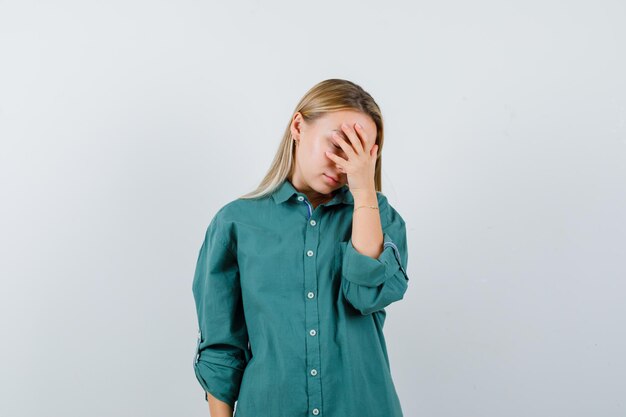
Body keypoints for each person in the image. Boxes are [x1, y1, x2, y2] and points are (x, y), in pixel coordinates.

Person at [192, 78, 410, 417]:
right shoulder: (235, 223)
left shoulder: (379, 220)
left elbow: (366, 296)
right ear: (298, 126)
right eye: (339, 145)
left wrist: (365, 191)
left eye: (359, 153)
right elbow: (221, 348)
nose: (344, 165)